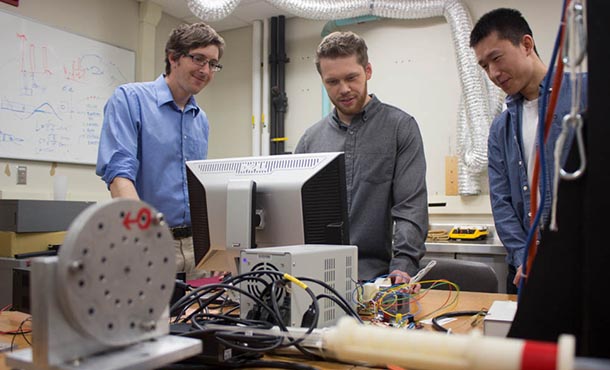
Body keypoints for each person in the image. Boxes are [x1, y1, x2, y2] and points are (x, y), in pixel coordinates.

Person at [295, 31, 429, 284]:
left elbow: (410, 207)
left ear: (367, 70)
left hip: (376, 278)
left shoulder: (400, 128)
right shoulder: (310, 140)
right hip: (314, 278)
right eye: (332, 82)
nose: (344, 89)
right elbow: (293, 213)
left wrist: (404, 264)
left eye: (351, 78)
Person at [470, 8, 587, 293]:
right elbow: (502, 201)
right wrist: (525, 257)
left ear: (526, 44)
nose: (493, 74)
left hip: (580, 264)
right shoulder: (501, 126)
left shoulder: (584, 94)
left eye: (496, 58)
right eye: (484, 66)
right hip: (526, 271)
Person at [96, 23, 225, 280]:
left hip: (197, 246)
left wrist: (217, 243)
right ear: (173, 57)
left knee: (201, 317)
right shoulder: (130, 100)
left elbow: (199, 188)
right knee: (150, 319)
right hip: (149, 241)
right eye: (199, 59)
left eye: (213, 64)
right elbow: (119, 174)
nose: (206, 70)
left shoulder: (201, 119)